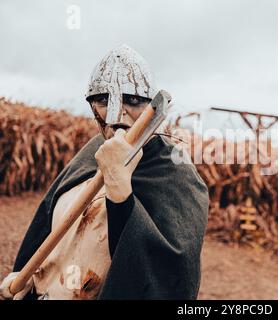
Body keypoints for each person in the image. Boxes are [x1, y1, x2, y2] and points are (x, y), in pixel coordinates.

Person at [0, 44, 209, 300]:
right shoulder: (90, 153)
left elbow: (167, 275)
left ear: (150, 106)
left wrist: (120, 190)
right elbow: (50, 233)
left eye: (132, 100)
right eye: (103, 100)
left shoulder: (174, 171)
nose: (117, 114)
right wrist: (27, 279)